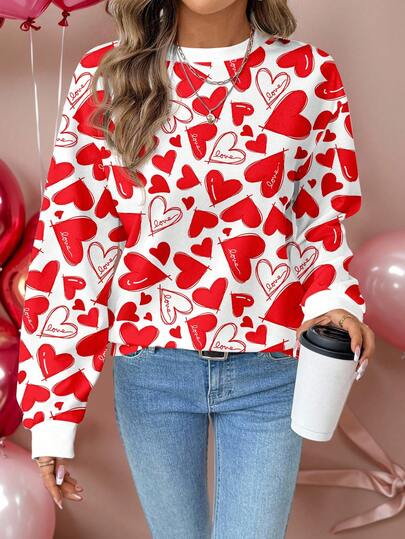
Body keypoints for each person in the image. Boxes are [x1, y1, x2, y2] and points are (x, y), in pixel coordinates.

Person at [16, 0, 375, 537]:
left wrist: (333, 304)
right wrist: (51, 417)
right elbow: (75, 243)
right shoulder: (105, 75)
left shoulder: (308, 73)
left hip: (271, 366)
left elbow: (320, 218)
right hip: (153, 367)